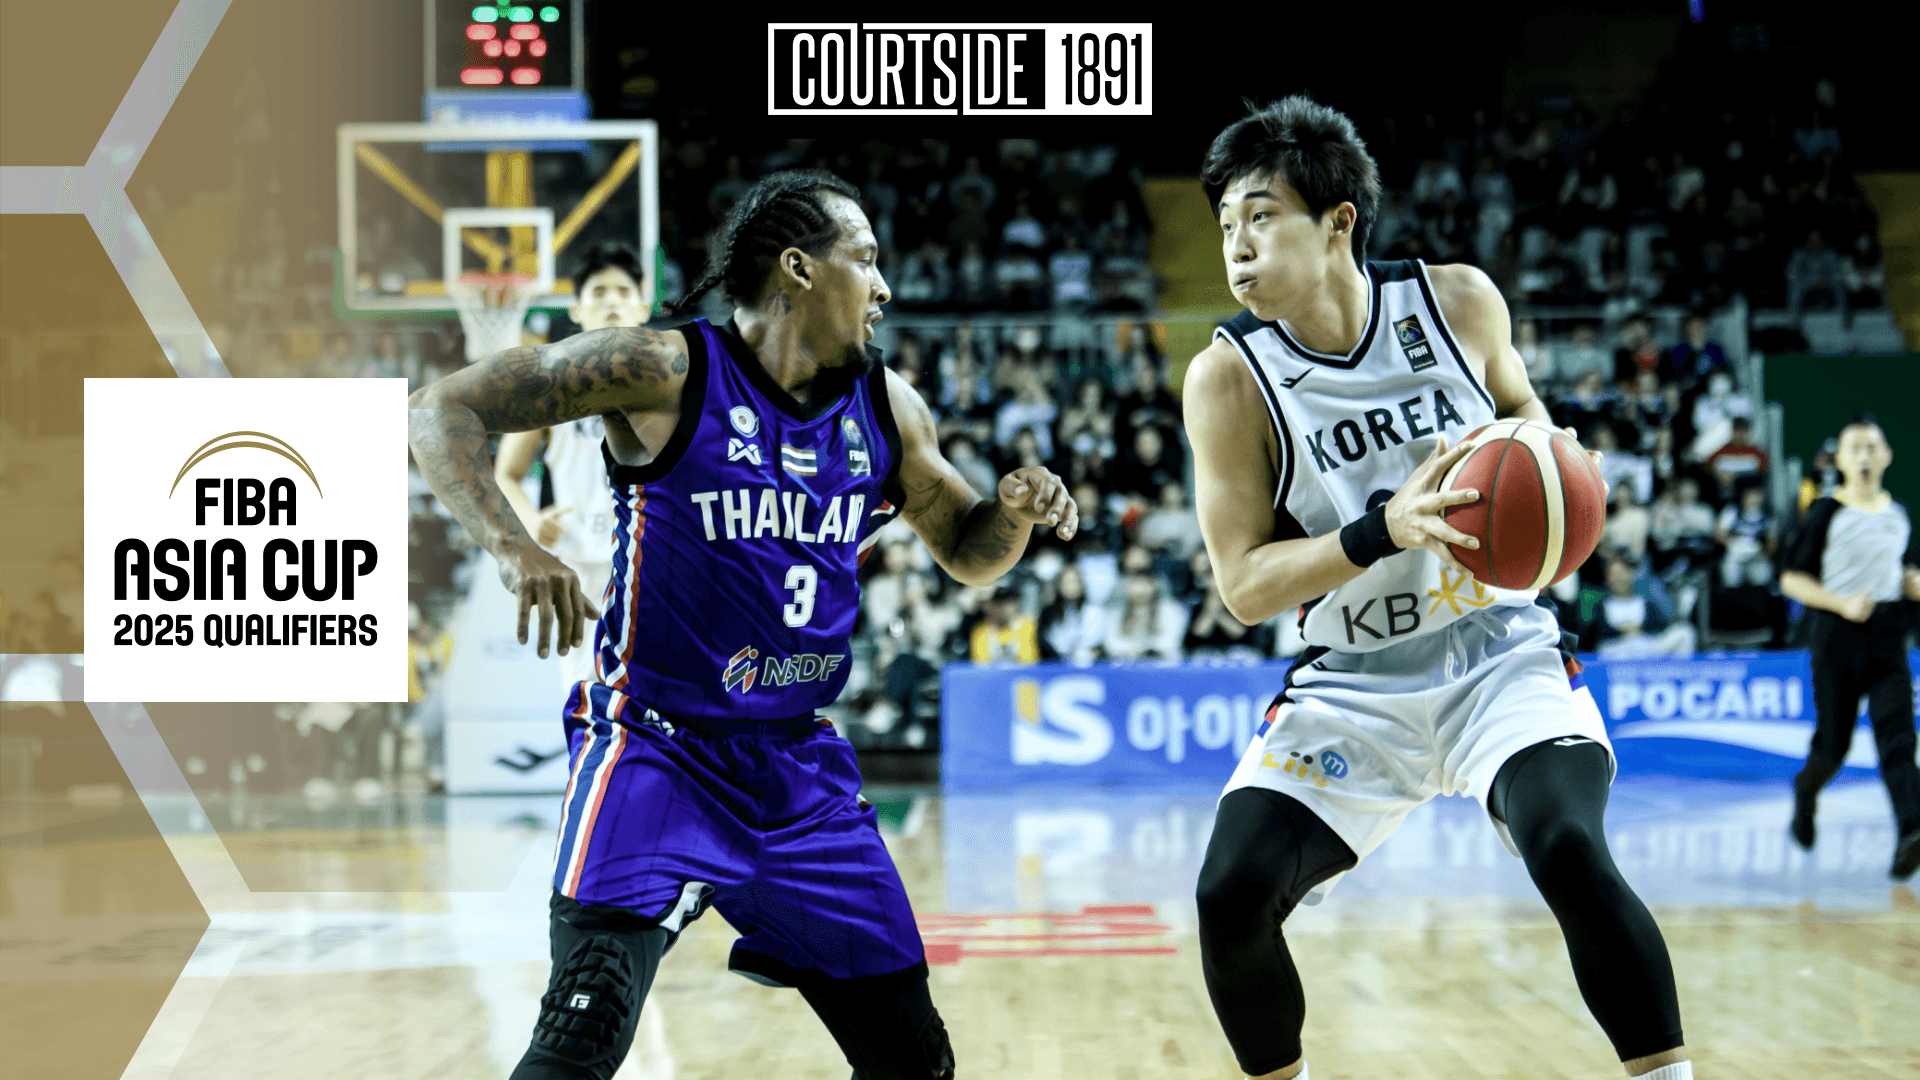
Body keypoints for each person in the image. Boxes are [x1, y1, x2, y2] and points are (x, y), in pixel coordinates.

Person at [409, 170, 1079, 1080]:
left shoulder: (888, 407)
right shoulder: (662, 368)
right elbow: (439, 408)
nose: (884, 287)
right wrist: (513, 544)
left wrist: (1015, 513)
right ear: (799, 269)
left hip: (796, 769)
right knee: (579, 1037)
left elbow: (966, 549)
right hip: (657, 751)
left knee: (915, 1060)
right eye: (866, 260)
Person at [1183, 98, 1691, 1080]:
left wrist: (1561, 472)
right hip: (1353, 682)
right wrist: (1382, 530)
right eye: (1225, 225)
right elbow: (1243, 586)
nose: (1236, 247)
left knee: (1568, 848)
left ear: (1339, 221)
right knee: (1229, 894)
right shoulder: (1228, 379)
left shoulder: (1457, 303)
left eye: (1261, 217)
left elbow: (1528, 420)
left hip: (1500, 653)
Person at [493, 243, 653, 701]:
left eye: (623, 291)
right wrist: (530, 519)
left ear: (643, 308)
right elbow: (506, 472)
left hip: (649, 559)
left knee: (653, 696)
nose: (611, 300)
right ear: (577, 310)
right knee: (586, 694)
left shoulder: (670, 384)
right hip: (578, 562)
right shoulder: (549, 386)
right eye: (598, 291)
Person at [1778, 415, 1920, 879]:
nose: (1864, 455)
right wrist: (1841, 603)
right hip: (1837, 637)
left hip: (1888, 638)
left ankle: (1912, 833)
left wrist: (1912, 585)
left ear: (1886, 456)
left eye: (1871, 447)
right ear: (1839, 459)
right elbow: (1791, 580)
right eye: (1854, 447)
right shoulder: (1825, 512)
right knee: (1833, 746)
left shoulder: (1899, 514)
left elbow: (1902, 571)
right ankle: (1806, 792)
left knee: (1899, 740)